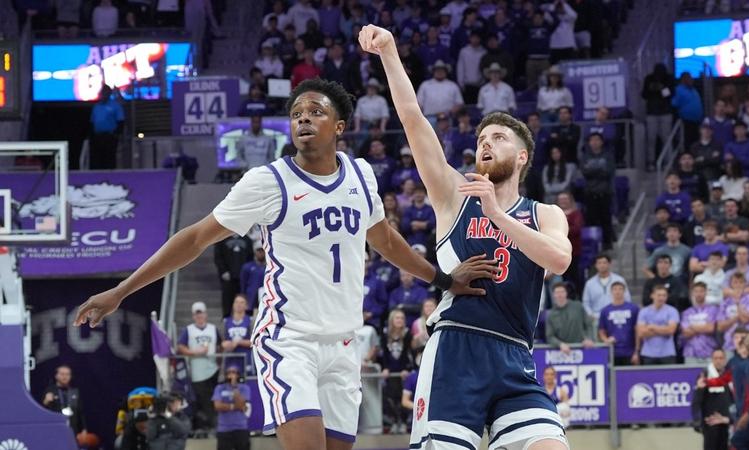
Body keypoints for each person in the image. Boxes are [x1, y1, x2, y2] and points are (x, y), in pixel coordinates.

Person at [74, 78, 491, 450]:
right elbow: (196, 238)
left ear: (339, 127)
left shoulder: (361, 174)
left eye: (315, 112)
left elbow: (384, 240)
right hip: (289, 341)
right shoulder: (267, 182)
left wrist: (442, 279)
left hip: (344, 345)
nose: (303, 119)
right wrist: (121, 290)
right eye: (296, 114)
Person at [365, 23, 571, 449]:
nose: (486, 144)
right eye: (481, 139)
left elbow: (558, 260)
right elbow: (412, 119)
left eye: (498, 138)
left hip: (515, 355)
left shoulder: (545, 214)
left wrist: (498, 214)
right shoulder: (454, 196)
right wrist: (388, 51)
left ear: (522, 156)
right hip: (456, 349)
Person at [177, 301, 221, 434]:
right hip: (197, 371)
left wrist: (220, 361)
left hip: (213, 369)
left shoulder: (213, 328)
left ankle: (213, 426)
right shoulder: (188, 330)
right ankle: (206, 426)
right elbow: (180, 347)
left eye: (201, 313)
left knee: (214, 398)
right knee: (203, 399)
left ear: (205, 314)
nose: (199, 316)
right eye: (197, 314)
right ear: (193, 316)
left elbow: (220, 345)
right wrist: (195, 352)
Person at [381, 309, 416, 434]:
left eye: (402, 318)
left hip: (403, 371)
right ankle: (395, 421)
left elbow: (409, 353)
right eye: (397, 318)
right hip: (391, 371)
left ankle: (403, 421)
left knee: (403, 397)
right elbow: (384, 354)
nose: (400, 320)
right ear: (392, 320)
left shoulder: (407, 334)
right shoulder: (385, 333)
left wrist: (407, 368)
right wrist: (385, 368)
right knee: (390, 397)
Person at [692, 349, 733, 450]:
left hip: (725, 421)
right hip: (710, 421)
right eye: (716, 358)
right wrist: (697, 420)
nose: (718, 361)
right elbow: (697, 399)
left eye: (721, 358)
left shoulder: (729, 375)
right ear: (712, 359)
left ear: (725, 360)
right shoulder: (705, 375)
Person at [716, 272, 749, 356]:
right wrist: (737, 317)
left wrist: (738, 304)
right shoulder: (725, 302)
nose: (738, 285)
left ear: (745, 284)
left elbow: (746, 320)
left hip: (748, 345)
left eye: (741, 282)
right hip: (729, 344)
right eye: (735, 282)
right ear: (731, 284)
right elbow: (720, 327)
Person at [598, 281, 640, 366]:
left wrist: (636, 352)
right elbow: (601, 330)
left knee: (629, 377)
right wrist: (606, 340)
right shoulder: (605, 310)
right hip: (612, 351)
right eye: (615, 289)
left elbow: (638, 331)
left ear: (624, 291)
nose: (617, 291)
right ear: (611, 292)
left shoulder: (633, 309)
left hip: (629, 351)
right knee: (613, 378)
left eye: (620, 289)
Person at [642, 63, 674, 171]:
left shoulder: (669, 78)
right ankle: (650, 162)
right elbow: (644, 94)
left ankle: (668, 162)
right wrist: (653, 89)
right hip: (651, 113)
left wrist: (661, 88)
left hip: (665, 112)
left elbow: (669, 94)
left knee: (666, 138)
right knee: (651, 139)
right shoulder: (649, 78)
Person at [636, 285, 680, 365]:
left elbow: (671, 330)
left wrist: (652, 327)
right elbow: (641, 333)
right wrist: (664, 329)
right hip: (648, 354)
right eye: (659, 295)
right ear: (652, 295)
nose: (661, 298)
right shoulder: (644, 311)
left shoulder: (672, 311)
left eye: (664, 295)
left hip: (667, 353)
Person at [546, 282, 594, 353]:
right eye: (557, 292)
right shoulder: (551, 315)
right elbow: (550, 336)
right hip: (562, 352)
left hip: (582, 348)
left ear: (566, 293)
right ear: (553, 295)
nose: (560, 295)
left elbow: (589, 324)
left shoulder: (578, 306)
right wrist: (560, 344)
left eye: (562, 292)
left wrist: (589, 338)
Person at [213, 364, 252, 450]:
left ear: (238, 375)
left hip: (240, 428)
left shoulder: (244, 388)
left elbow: (242, 405)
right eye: (229, 372)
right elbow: (217, 406)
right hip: (224, 429)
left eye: (234, 372)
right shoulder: (219, 388)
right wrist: (234, 406)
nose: (231, 375)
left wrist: (234, 386)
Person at [214, 234, 254, 318]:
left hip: (243, 278)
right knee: (227, 298)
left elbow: (251, 257)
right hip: (228, 277)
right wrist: (223, 271)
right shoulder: (221, 239)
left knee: (243, 298)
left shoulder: (247, 239)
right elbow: (218, 256)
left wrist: (248, 273)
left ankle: (246, 318)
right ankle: (226, 317)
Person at [583, 254, 631, 324]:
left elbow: (627, 299)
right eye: (599, 263)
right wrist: (591, 315)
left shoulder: (619, 280)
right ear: (596, 265)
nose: (602, 265)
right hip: (597, 318)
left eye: (604, 263)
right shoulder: (589, 283)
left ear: (609, 264)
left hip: (617, 317)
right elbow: (586, 303)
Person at [42, 365, 86, 435]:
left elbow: (80, 412)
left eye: (67, 374)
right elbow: (41, 412)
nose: (65, 377)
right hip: (55, 430)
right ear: (56, 376)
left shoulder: (75, 391)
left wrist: (84, 429)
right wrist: (46, 401)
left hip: (73, 430)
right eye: (62, 374)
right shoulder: (49, 391)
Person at [680, 282, 718, 365]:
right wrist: (703, 327)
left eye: (701, 291)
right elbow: (686, 333)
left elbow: (710, 328)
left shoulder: (713, 310)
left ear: (706, 292)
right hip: (690, 352)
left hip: (709, 351)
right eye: (696, 291)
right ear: (692, 293)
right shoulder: (687, 312)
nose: (699, 294)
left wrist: (692, 326)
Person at [89, 85, 124, 170]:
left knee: (110, 158)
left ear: (109, 93)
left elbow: (121, 121)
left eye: (105, 92)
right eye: (102, 92)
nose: (103, 94)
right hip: (98, 137)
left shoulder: (115, 106)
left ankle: (110, 177)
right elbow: (92, 122)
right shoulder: (96, 106)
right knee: (97, 159)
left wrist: (116, 134)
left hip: (110, 137)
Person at [222, 295, 253, 375]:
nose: (239, 304)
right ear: (233, 305)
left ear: (246, 306)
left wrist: (238, 342)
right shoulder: (226, 321)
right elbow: (222, 342)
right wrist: (226, 344)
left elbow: (255, 342)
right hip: (230, 358)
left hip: (247, 358)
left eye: (242, 302)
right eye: (236, 302)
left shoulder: (250, 321)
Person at [239, 246, 266, 312]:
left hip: (266, 295)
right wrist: (243, 295)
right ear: (255, 252)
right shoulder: (247, 267)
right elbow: (243, 282)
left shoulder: (271, 266)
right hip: (251, 295)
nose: (260, 253)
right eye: (258, 251)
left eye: (262, 251)